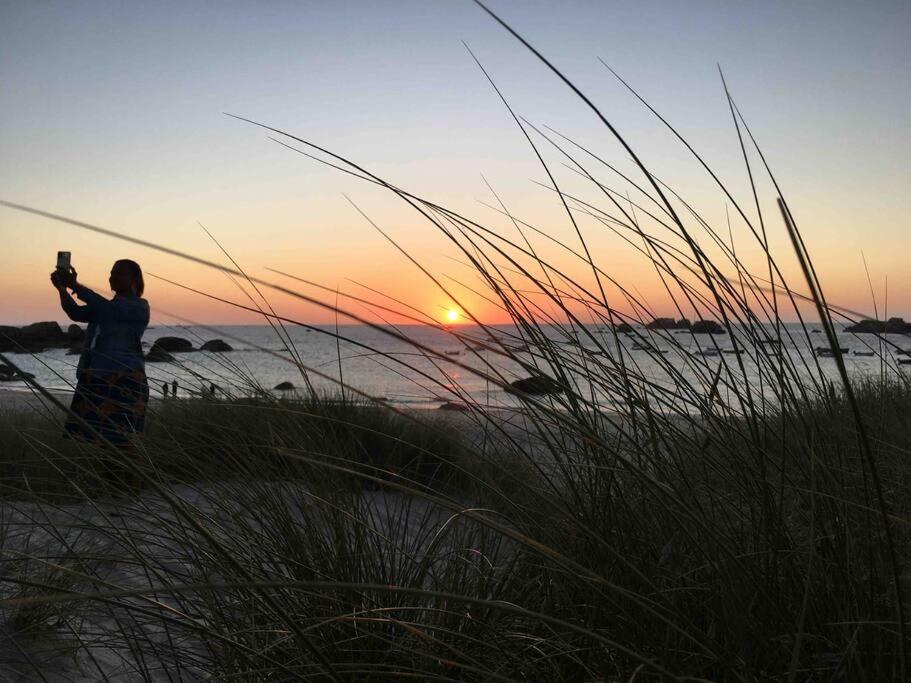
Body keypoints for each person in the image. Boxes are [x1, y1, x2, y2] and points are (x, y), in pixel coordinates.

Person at [51, 260, 150, 447]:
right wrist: (62, 290)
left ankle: (126, 476)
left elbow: (108, 309)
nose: (112, 277)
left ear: (135, 279)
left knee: (123, 443)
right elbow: (76, 313)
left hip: (124, 380)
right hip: (95, 378)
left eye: (119, 273)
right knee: (95, 443)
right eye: (111, 273)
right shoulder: (106, 306)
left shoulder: (139, 306)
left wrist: (75, 285)